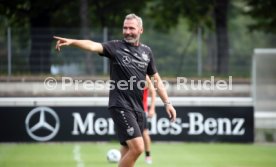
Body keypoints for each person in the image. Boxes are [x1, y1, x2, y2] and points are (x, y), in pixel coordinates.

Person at [54, 13, 176, 167]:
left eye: (131, 28)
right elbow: (93, 45)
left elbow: (156, 79)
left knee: (126, 148)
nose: (127, 31)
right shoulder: (115, 47)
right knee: (138, 148)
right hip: (120, 105)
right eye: (125, 28)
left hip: (138, 108)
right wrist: (72, 42)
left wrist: (167, 103)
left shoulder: (147, 52)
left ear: (141, 30)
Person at [142, 75, 156, 164]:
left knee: (145, 133)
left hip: (141, 110)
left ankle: (148, 155)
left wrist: (152, 108)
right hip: (128, 110)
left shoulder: (145, 77)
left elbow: (153, 92)